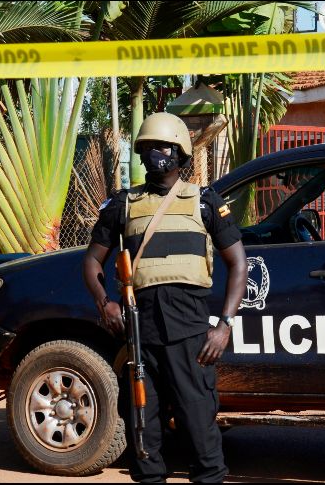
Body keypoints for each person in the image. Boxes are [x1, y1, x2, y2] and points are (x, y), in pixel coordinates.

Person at [82, 112, 248, 483]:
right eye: (150, 147)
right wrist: (104, 302)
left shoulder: (204, 201)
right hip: (140, 336)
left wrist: (224, 326)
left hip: (190, 336)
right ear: (140, 154)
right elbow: (92, 260)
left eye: (165, 146)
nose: (158, 153)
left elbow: (239, 264)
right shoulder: (122, 205)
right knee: (144, 430)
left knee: (200, 429)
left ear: (180, 153)